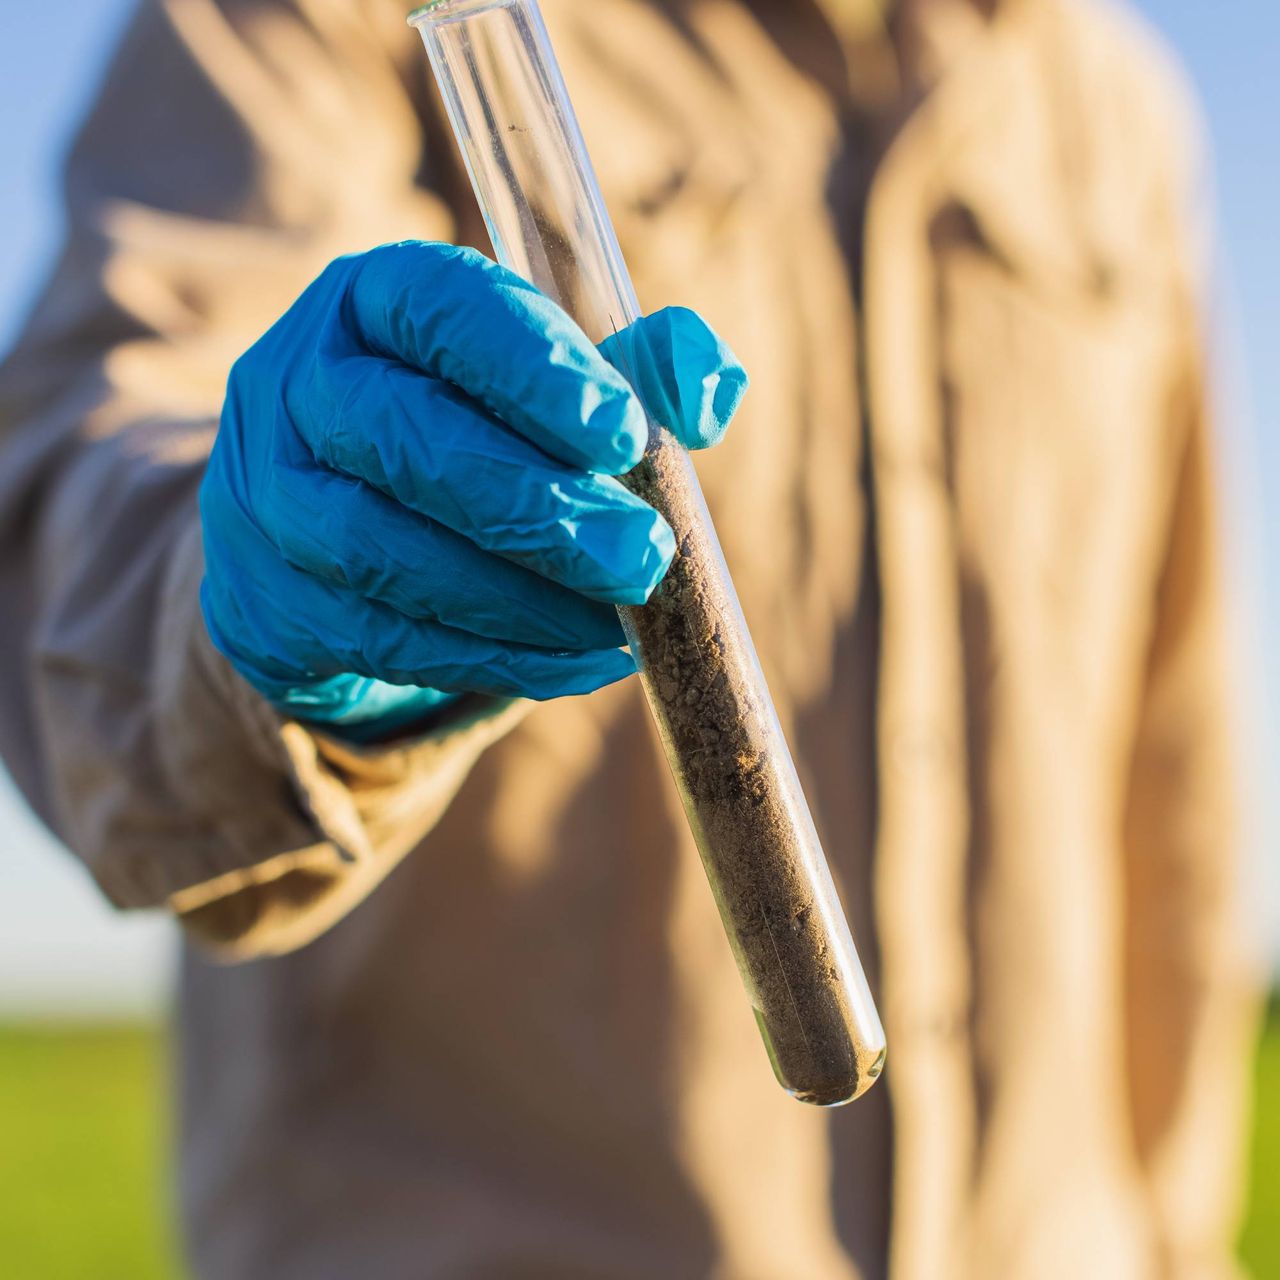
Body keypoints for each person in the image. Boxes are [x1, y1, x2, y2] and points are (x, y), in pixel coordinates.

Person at [0, 0, 1260, 1275]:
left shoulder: (1104, 104)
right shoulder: (320, 25)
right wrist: (254, 605)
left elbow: (1166, 779)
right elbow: (82, 489)